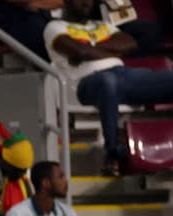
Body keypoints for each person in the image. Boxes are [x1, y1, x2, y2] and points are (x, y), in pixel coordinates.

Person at [46, 0, 173, 176]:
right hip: (85, 83)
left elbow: (130, 44)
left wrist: (90, 49)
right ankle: (111, 153)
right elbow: (79, 51)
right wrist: (110, 49)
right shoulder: (54, 27)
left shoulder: (102, 25)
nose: (86, 3)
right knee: (108, 81)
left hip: (124, 75)